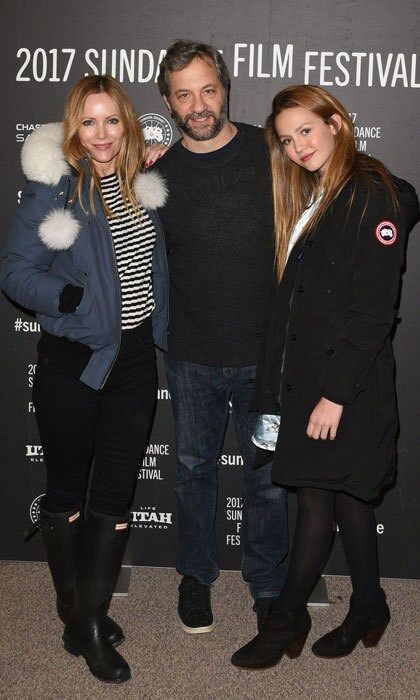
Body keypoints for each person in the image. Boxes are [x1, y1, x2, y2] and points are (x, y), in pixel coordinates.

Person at [231, 84, 419, 669]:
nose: (297, 147)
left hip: (348, 387)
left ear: (336, 122)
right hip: (314, 381)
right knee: (347, 503)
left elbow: (373, 312)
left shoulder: (370, 195)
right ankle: (370, 605)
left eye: (305, 131)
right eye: (286, 141)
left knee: (317, 499)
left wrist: (333, 398)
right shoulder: (320, 192)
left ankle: (286, 616)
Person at [1, 75, 168, 684]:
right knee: (67, 491)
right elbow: (14, 272)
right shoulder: (54, 190)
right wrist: (66, 294)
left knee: (115, 494)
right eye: (88, 122)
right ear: (74, 128)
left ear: (128, 125)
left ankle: (88, 619)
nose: (101, 135)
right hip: (72, 364)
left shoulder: (144, 185)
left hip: (135, 363)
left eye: (112, 121)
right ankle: (77, 612)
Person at [152, 40, 288, 635]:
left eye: (208, 90)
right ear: (168, 101)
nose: (198, 104)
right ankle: (195, 578)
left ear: (225, 88)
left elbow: (332, 183)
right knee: (192, 473)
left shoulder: (270, 150)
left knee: (267, 480)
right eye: (184, 94)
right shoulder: (157, 174)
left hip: (266, 355)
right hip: (191, 357)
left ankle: (267, 585)